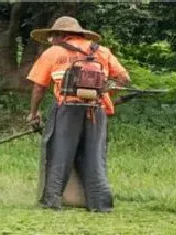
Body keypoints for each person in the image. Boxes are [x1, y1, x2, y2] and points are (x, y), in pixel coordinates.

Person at [26, 16, 130, 212]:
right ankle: (100, 204)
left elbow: (39, 88)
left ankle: (52, 201)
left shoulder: (53, 53)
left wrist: (33, 113)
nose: (50, 41)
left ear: (60, 35)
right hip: (96, 110)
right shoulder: (101, 52)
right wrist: (103, 95)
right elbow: (124, 78)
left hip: (67, 110)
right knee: (95, 157)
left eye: (52, 36)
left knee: (60, 155)